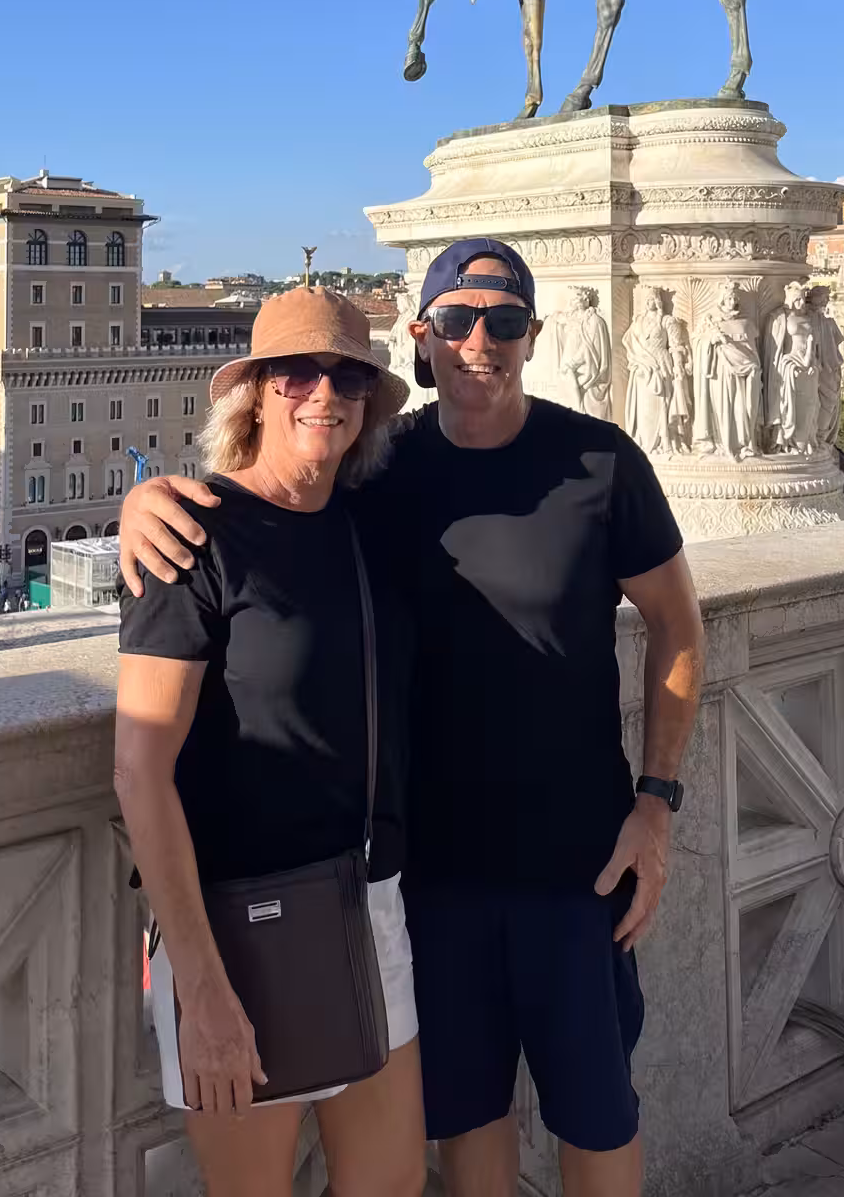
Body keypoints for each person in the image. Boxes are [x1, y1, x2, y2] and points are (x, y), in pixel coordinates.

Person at [120, 239, 704, 1197]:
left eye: (504, 321)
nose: (482, 340)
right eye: (459, 320)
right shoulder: (370, 481)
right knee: (462, 1127)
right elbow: (261, 512)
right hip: (409, 887)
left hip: (567, 869)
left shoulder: (593, 463)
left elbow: (680, 624)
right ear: (423, 337)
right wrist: (142, 501)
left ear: (534, 335)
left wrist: (657, 802)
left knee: (592, 1118)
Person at [114, 287, 424, 1197]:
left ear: (367, 403)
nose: (323, 394)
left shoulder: (373, 524)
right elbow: (140, 772)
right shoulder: (190, 538)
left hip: (368, 902)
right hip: (238, 928)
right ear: (254, 393)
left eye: (347, 377)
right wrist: (202, 985)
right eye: (296, 373)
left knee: (393, 1184)